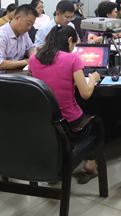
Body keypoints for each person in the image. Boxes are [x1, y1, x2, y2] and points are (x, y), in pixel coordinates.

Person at [28, 25, 100, 184]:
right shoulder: (72, 59)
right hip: (69, 121)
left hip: (44, 120)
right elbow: (85, 94)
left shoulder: (33, 59)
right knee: (92, 121)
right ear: (69, 40)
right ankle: (90, 164)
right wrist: (93, 79)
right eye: (74, 44)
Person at [0, 4, 37, 77]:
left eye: (31, 25)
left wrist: (33, 58)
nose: (29, 28)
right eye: (28, 24)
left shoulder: (23, 32)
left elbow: (31, 48)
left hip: (11, 72)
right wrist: (26, 62)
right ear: (17, 17)